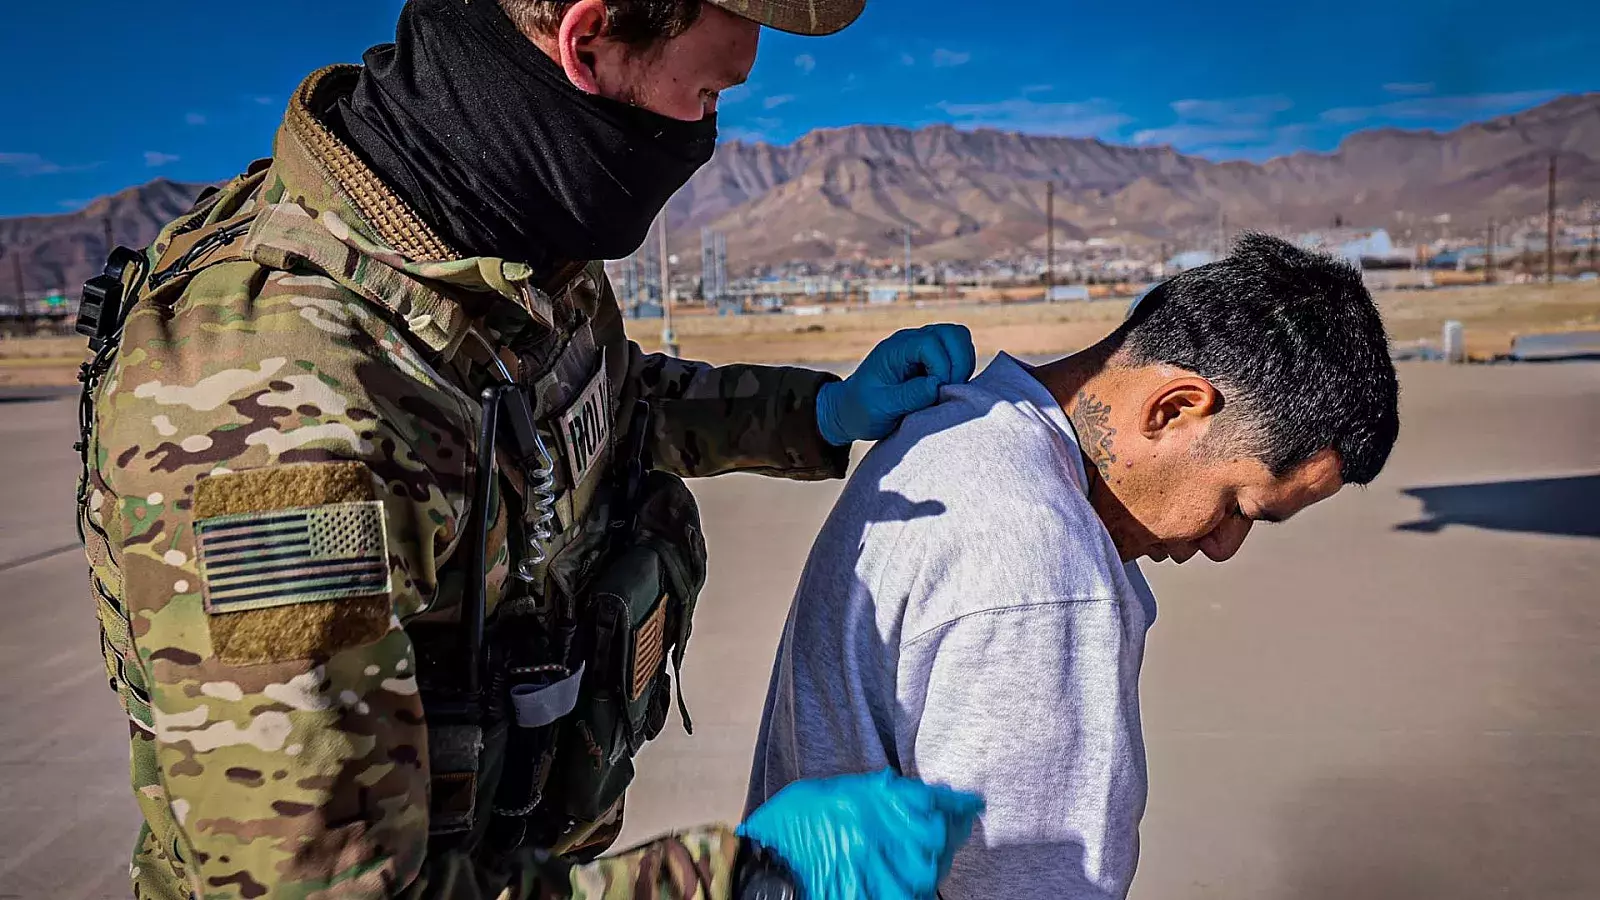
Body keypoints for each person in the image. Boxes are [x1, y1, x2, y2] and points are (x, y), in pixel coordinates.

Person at [73, 1, 982, 898]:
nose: (709, 128)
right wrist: (741, 884)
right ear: (587, 42)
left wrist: (821, 411)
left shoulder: (497, 230)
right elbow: (326, 890)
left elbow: (604, 401)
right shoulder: (280, 419)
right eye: (706, 92)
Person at [747, 234, 1403, 899]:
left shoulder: (954, 432)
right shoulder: (1042, 570)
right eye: (1238, 504)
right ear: (1174, 408)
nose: (1222, 545)